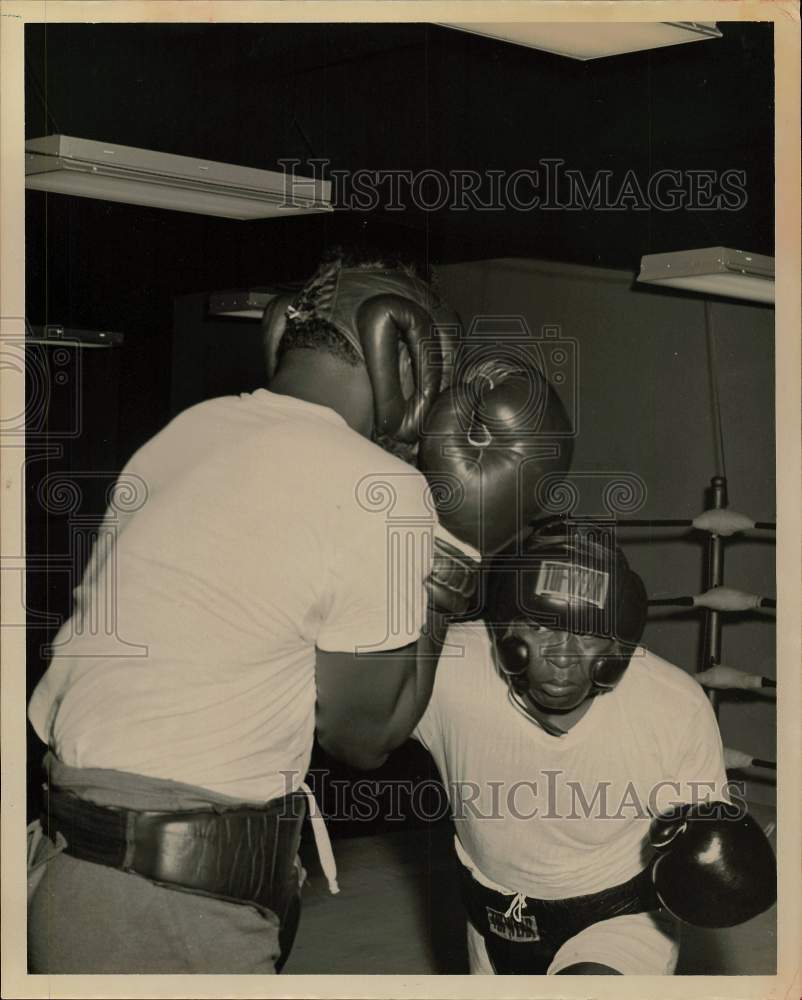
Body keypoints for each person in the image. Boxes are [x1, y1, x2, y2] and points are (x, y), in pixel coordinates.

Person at [26, 247, 480, 974]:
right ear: (411, 371)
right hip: (166, 900)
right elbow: (364, 735)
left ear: (283, 331)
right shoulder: (380, 486)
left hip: (74, 870)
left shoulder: (185, 432)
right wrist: (458, 555)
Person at [412, 518, 777, 975]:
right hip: (490, 916)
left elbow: (709, 848)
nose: (562, 656)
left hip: (618, 918)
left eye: (586, 634)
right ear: (504, 624)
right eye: (541, 627)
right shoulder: (450, 670)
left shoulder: (672, 705)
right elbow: (350, 728)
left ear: (617, 640)